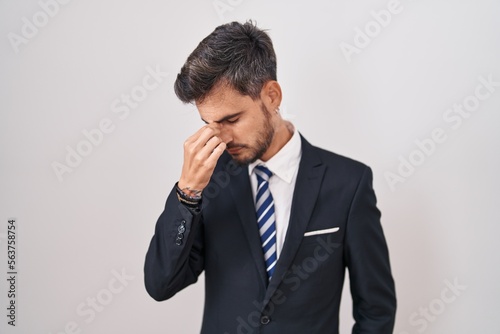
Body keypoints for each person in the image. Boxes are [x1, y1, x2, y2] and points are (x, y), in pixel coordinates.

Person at [144, 21, 396, 334]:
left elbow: (376, 310)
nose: (220, 138)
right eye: (209, 123)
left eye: (232, 119)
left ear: (272, 96)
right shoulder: (207, 183)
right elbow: (160, 284)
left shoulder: (348, 184)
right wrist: (187, 194)